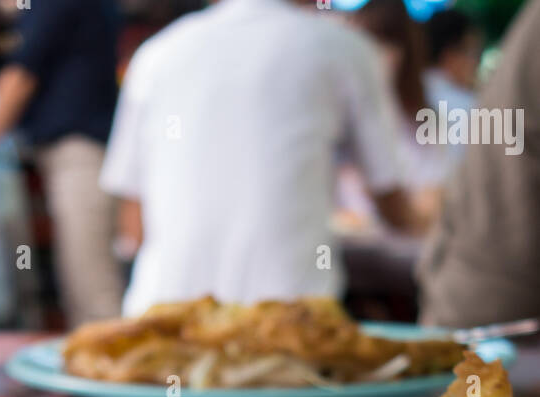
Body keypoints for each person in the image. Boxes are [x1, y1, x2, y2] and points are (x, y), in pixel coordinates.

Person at [100, 0, 419, 315]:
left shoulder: (156, 54)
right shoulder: (343, 48)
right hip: (291, 325)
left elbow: (133, 224)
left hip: (162, 321)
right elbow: (393, 205)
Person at [0, 0, 123, 326]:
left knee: (94, 292)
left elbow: (20, 77)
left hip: (80, 154)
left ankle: (109, 374)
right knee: (87, 283)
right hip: (84, 153)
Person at [419, 0, 540, 327]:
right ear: (450, 56)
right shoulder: (457, 103)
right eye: (471, 52)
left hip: (469, 288)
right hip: (502, 308)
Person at [347, 0, 449, 222]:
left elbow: (432, 205)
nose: (370, 56)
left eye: (382, 43)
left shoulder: (423, 120)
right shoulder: (337, 118)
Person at [424, 7, 483, 115]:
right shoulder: (464, 106)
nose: (477, 62)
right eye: (474, 52)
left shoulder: (419, 88)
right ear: (450, 55)